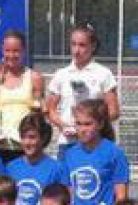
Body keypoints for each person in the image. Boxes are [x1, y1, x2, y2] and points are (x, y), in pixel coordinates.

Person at [46, 24, 120, 153]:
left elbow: (114, 111)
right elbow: (50, 109)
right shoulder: (61, 74)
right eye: (73, 44)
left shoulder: (104, 74)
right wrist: (64, 126)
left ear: (93, 46)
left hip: (96, 143)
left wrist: (92, 127)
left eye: (82, 45)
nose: (76, 50)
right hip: (68, 143)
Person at [0, 29, 45, 163]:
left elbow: (38, 112)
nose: (11, 55)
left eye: (16, 51)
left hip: (25, 147)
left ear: (24, 51)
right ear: (2, 50)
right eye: (7, 50)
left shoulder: (35, 78)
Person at [5, 112, 68, 205]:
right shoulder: (11, 167)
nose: (27, 142)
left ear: (43, 138)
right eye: (23, 137)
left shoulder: (56, 168)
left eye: (32, 137)